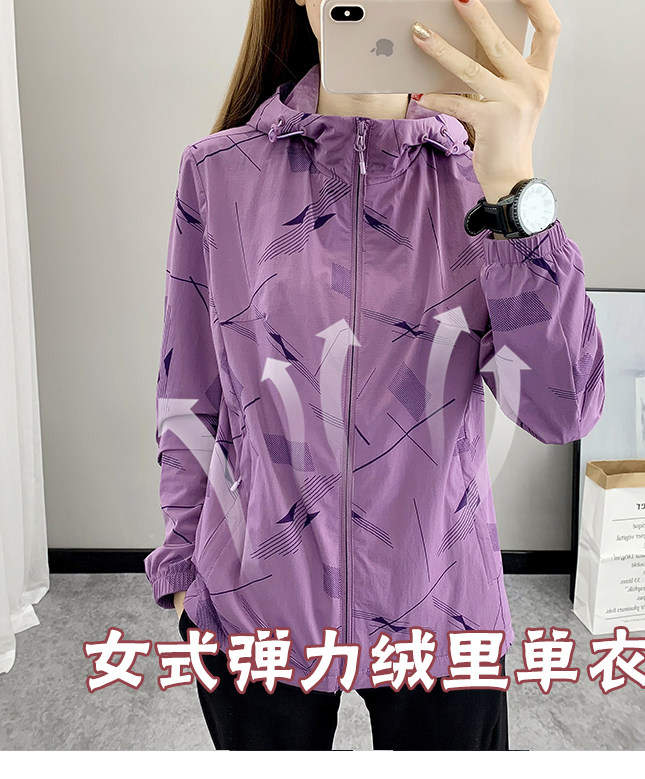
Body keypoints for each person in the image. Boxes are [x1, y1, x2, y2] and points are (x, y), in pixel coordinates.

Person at [144, 0, 604, 751]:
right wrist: (184, 567)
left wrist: (516, 188)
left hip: (444, 608)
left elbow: (563, 410)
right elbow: (190, 385)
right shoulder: (219, 172)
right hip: (255, 603)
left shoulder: (483, 184)